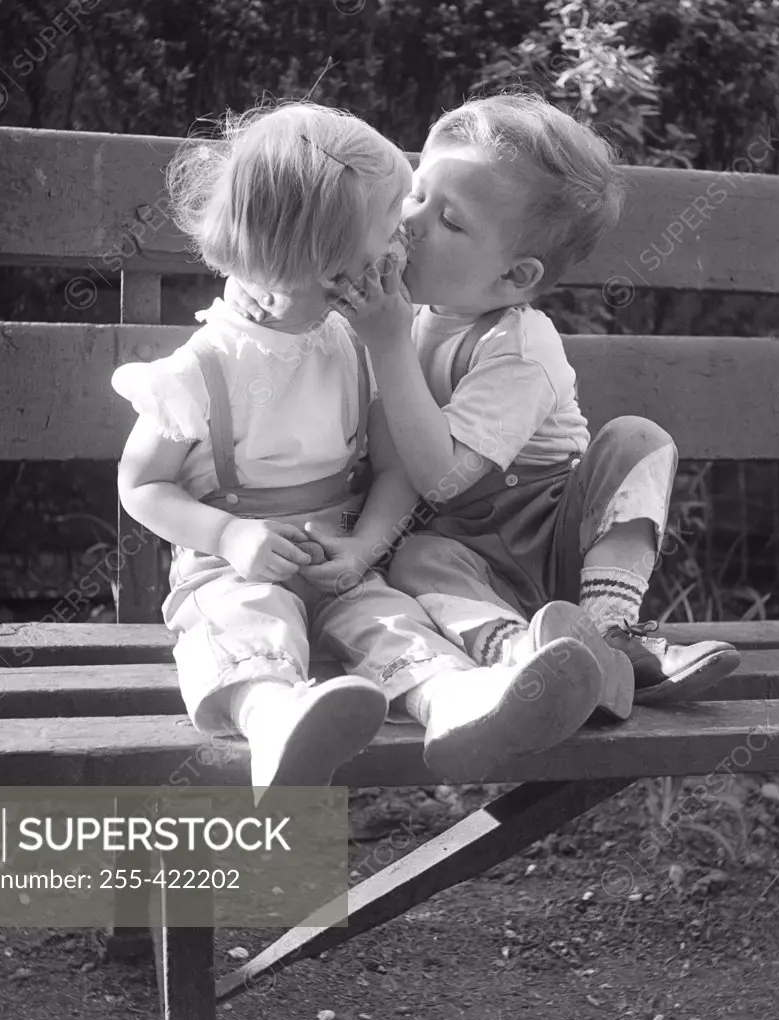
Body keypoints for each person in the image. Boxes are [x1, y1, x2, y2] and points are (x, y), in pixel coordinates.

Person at [113, 101, 610, 792]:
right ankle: (274, 719)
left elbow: (397, 465)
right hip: (234, 563)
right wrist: (230, 537)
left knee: (391, 619)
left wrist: (364, 548)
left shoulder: (361, 341)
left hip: (343, 555)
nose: (404, 232)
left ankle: (459, 704)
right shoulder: (201, 369)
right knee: (239, 618)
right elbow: (140, 485)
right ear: (324, 263)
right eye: (396, 212)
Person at [311, 92, 742, 734]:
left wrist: (387, 344)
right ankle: (528, 660)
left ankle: (608, 629)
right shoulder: (404, 320)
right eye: (416, 193)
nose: (412, 221)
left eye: (450, 221)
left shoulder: (518, 343)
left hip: (556, 538)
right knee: (418, 559)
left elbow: (443, 477)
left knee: (636, 440)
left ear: (515, 277)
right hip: (467, 556)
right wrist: (360, 549)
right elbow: (399, 470)